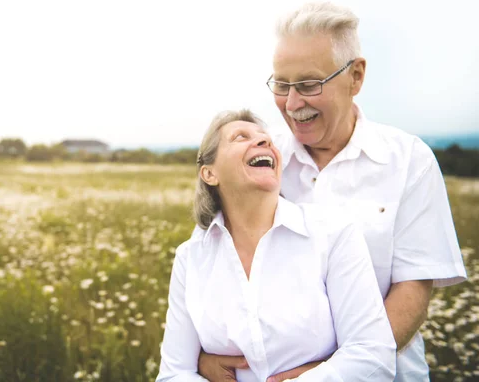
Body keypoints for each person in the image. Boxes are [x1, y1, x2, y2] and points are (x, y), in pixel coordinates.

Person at [197, 2, 467, 382]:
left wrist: (332, 372)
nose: (292, 104)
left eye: (309, 84)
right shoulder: (258, 161)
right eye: (282, 84)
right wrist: (200, 356)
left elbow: (413, 289)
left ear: (355, 76)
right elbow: (213, 259)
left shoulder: (409, 160)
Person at [156, 109, 396, 382]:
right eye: (240, 137)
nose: (264, 142)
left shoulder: (333, 234)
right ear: (209, 173)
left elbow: (374, 354)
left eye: (266, 138)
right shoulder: (191, 257)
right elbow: (174, 374)